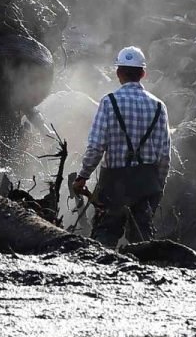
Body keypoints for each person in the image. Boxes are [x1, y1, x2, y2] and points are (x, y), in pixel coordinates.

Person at [69, 46, 171, 246]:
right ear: (143, 73)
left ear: (118, 73)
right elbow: (164, 154)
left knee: (105, 236)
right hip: (146, 183)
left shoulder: (108, 103)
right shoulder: (159, 106)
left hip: (114, 185)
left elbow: (96, 147)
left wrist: (83, 177)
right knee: (143, 241)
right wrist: (159, 185)